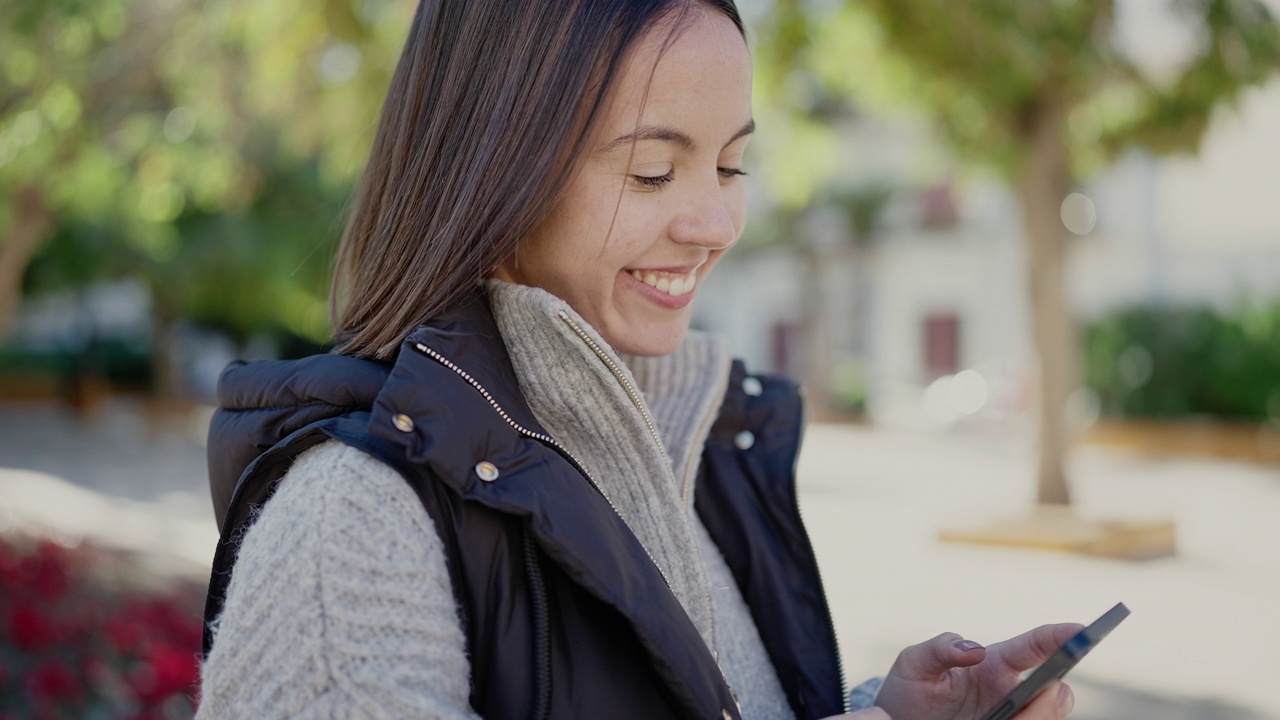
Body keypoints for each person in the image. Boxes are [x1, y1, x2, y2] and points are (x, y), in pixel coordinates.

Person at [196, 1, 1081, 718]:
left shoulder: (695, 447)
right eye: (655, 171)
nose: (717, 223)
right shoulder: (347, 535)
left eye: (733, 166)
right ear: (494, 167)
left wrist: (884, 715)